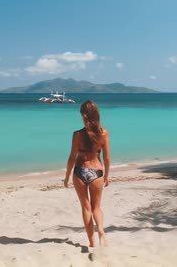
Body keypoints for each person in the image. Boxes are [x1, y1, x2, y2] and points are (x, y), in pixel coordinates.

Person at [64, 100, 110, 247]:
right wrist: (107, 175)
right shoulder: (103, 133)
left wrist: (66, 177)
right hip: (97, 171)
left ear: (83, 115)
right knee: (96, 207)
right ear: (96, 114)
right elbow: (107, 158)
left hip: (80, 171)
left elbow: (71, 158)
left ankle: (91, 243)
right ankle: (101, 232)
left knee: (86, 208)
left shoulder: (77, 134)